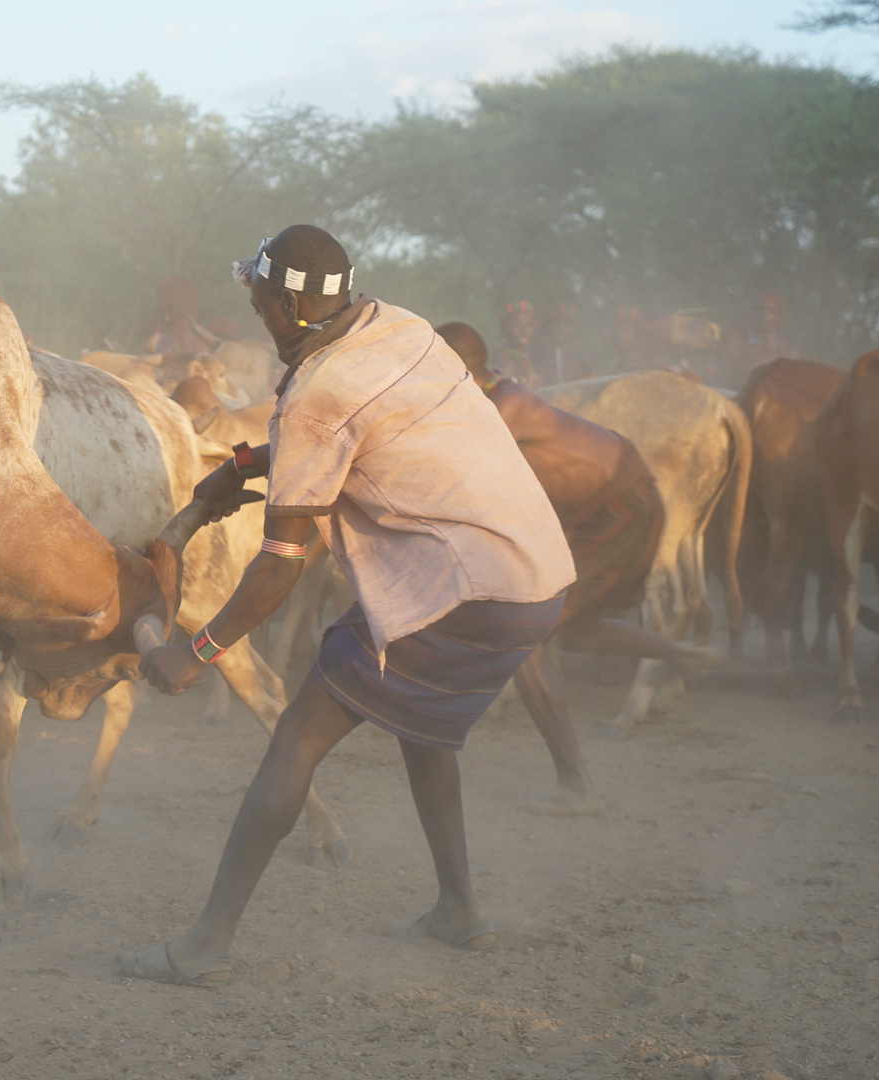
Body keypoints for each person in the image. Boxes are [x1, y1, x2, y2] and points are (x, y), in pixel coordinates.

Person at [120, 226, 576, 987]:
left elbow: (281, 563)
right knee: (418, 720)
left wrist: (196, 653)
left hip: (461, 590)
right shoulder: (400, 327)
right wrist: (247, 467)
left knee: (296, 737)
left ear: (293, 303)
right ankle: (459, 909)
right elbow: (360, 433)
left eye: (263, 304)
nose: (259, 317)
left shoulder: (314, 391)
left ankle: (204, 946)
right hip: (534, 580)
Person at [436, 322, 719, 812]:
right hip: (607, 504)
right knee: (578, 630)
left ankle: (576, 785)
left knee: (526, 637)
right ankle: (680, 652)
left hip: (617, 503)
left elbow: (451, 478)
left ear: (453, 367)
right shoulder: (492, 395)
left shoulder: (503, 410)